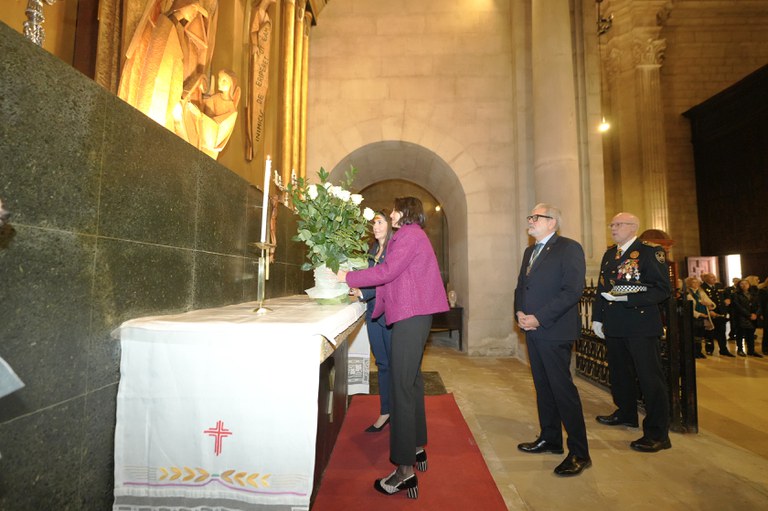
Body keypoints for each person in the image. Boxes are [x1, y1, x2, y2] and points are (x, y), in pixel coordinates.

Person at [337, 197, 449, 499]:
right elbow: (394, 278)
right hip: (414, 314)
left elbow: (387, 272)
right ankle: (416, 446)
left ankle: (404, 470)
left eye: (395, 209)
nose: (392, 214)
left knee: (400, 387)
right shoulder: (413, 236)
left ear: (405, 213)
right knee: (411, 382)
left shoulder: (408, 235)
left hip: (412, 314)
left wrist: (348, 277)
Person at [514, 204, 590, 476]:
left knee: (562, 391)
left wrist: (539, 317)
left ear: (552, 222)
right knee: (543, 387)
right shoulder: (530, 251)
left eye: (536, 217)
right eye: (530, 216)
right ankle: (551, 439)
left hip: (555, 330)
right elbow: (522, 287)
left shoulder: (569, 248)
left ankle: (580, 452)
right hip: (532, 330)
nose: (530, 220)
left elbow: (572, 291)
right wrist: (519, 312)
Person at [592, 212, 672, 453]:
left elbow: (661, 289)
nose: (613, 228)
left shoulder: (649, 252)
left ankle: (658, 433)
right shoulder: (610, 254)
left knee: (649, 378)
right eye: (612, 224)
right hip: (615, 324)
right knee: (620, 374)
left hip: (640, 324)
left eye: (618, 224)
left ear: (633, 227)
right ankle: (626, 413)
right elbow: (601, 288)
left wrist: (629, 299)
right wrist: (597, 317)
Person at [348, 212, 394, 432]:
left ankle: (400, 412)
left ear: (390, 225)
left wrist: (363, 292)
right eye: (374, 223)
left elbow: (386, 279)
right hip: (373, 314)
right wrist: (357, 288)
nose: (375, 226)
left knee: (395, 366)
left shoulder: (394, 249)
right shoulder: (372, 250)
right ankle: (386, 412)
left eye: (380, 222)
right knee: (382, 364)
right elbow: (368, 277)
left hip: (391, 315)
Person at [700, 273, 735, 357]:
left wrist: (728, 299)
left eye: (714, 277)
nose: (714, 279)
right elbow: (702, 301)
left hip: (721, 312)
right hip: (711, 312)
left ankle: (723, 349)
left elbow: (726, 294)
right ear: (705, 279)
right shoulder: (702, 287)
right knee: (710, 332)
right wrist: (709, 311)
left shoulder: (719, 285)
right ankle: (709, 349)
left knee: (722, 332)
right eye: (711, 277)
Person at [685, 276, 715, 359]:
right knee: (695, 336)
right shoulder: (688, 294)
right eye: (694, 282)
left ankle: (699, 351)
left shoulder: (701, 292)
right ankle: (695, 352)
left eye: (697, 282)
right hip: (694, 317)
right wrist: (699, 314)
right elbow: (689, 308)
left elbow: (711, 304)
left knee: (701, 335)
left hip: (704, 317)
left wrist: (709, 304)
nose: (696, 284)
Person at [731, 278, 763, 357]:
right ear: (739, 285)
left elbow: (759, 305)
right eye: (742, 284)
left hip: (753, 317)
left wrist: (756, 314)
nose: (744, 285)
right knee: (740, 334)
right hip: (741, 317)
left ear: (749, 285)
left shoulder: (753, 294)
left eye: (746, 283)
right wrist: (749, 315)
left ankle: (751, 350)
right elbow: (738, 307)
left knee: (751, 335)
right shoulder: (736, 294)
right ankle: (740, 350)